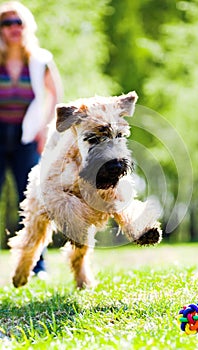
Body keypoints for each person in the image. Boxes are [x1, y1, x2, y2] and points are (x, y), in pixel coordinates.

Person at [0, 1, 63, 278]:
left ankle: (38, 266)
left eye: (18, 22)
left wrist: (46, 130)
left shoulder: (40, 59)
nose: (14, 27)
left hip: (27, 137)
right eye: (7, 23)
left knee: (34, 200)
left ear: (26, 26)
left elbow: (55, 95)